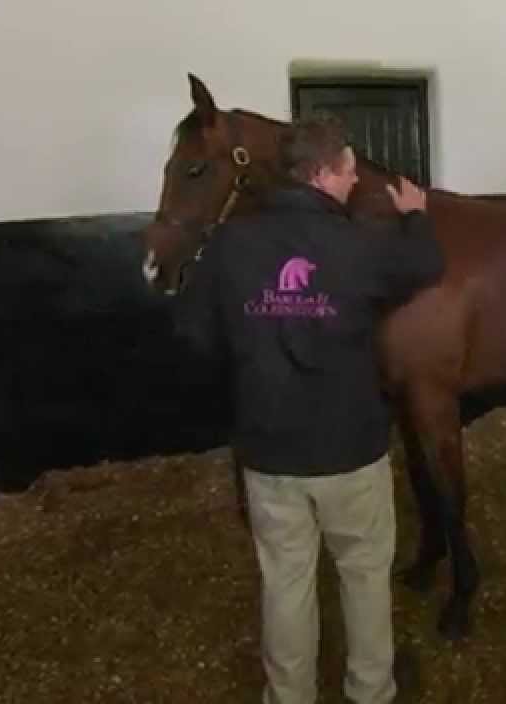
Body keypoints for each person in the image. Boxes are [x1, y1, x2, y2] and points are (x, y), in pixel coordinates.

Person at [174, 111, 444, 704]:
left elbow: (194, 334)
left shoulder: (232, 243)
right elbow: (427, 265)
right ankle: (369, 692)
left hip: (269, 451)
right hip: (351, 451)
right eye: (348, 168)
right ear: (323, 172)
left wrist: (253, 348)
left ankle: (289, 696)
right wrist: (417, 215)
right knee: (364, 574)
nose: (355, 178)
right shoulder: (359, 244)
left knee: (285, 581)